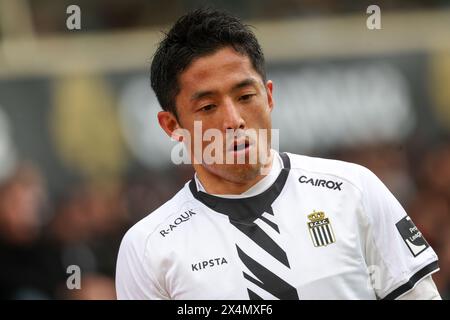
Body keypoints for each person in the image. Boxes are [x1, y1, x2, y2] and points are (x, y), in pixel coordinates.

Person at [115, 9, 441, 300]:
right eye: (208, 106)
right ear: (172, 125)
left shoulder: (352, 191)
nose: (233, 120)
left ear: (269, 96)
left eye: (245, 96)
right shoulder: (148, 248)